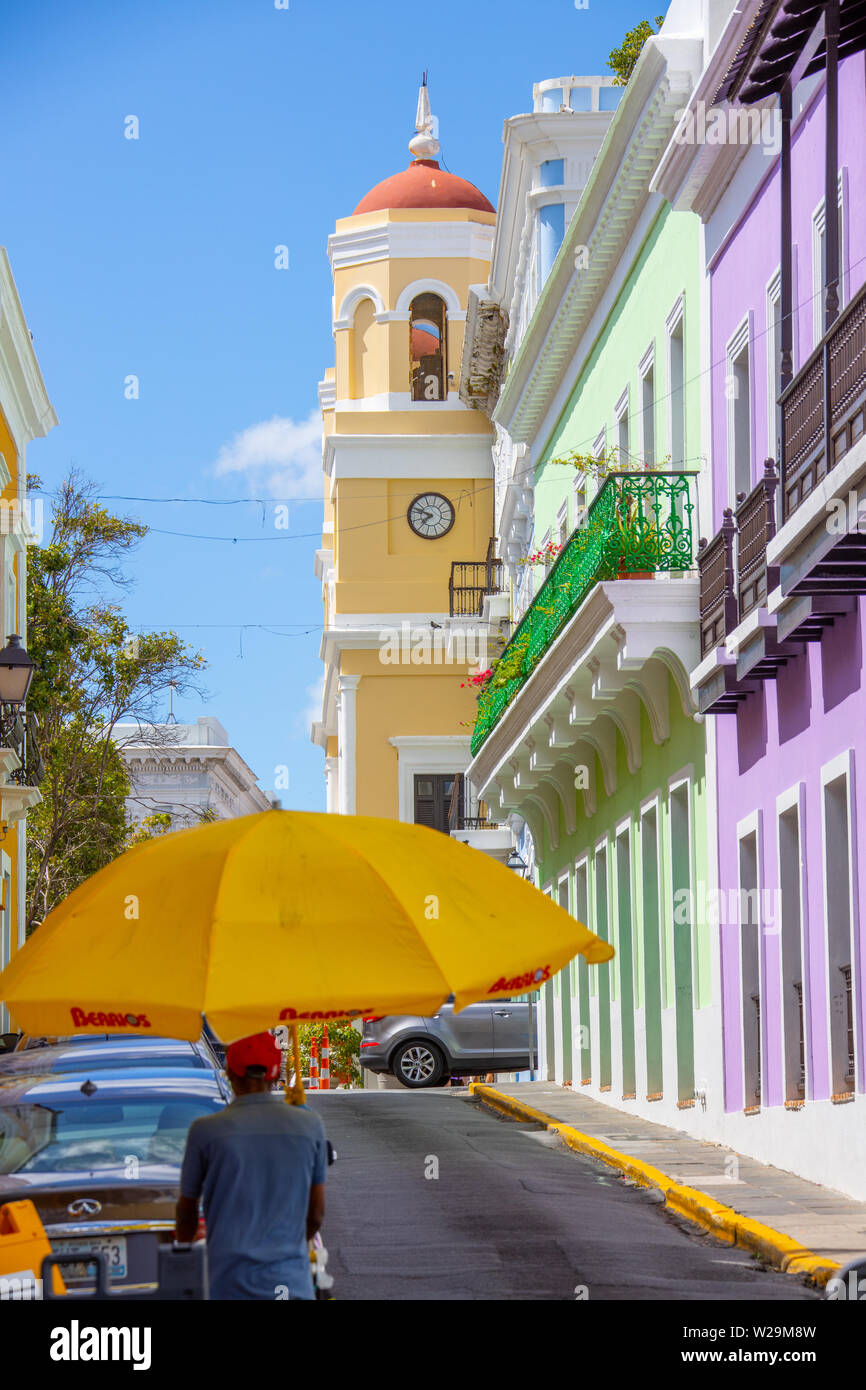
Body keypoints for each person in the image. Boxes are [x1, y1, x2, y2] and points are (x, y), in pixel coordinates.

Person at [175, 1030, 328, 1300]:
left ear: (230, 1075)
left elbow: (186, 1213)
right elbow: (315, 1215)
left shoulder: (205, 1131)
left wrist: (185, 1253)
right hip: (292, 1283)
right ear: (273, 1076)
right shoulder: (310, 1125)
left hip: (229, 1285)